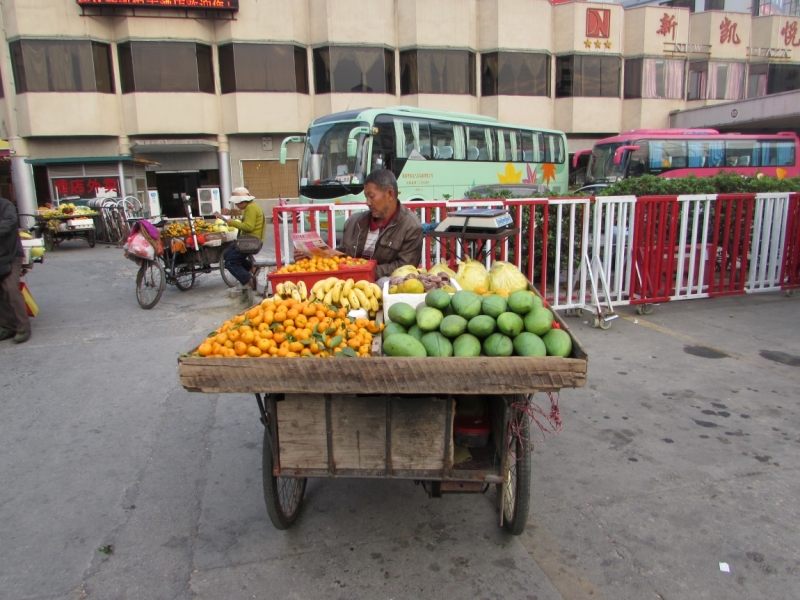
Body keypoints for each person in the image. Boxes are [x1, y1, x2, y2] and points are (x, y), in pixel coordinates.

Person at [294, 170, 423, 279]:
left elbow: (404, 268)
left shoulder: (411, 227)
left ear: (390, 194)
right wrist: (313, 258)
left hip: (383, 287)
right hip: (347, 283)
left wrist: (362, 271)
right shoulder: (353, 222)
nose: (367, 202)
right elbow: (342, 256)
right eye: (366, 197)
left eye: (371, 196)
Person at [216, 187, 265, 290]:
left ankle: (250, 279)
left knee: (230, 262)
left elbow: (249, 226)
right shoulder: (250, 207)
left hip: (250, 241)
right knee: (227, 254)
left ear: (242, 201)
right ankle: (252, 267)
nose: (237, 206)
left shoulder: (251, 208)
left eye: (237, 203)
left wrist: (232, 223)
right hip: (247, 239)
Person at [0, 197, 31, 344]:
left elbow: (10, 222)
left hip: (11, 255)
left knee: (10, 289)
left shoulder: (5, 205)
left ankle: (23, 327)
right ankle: (8, 326)